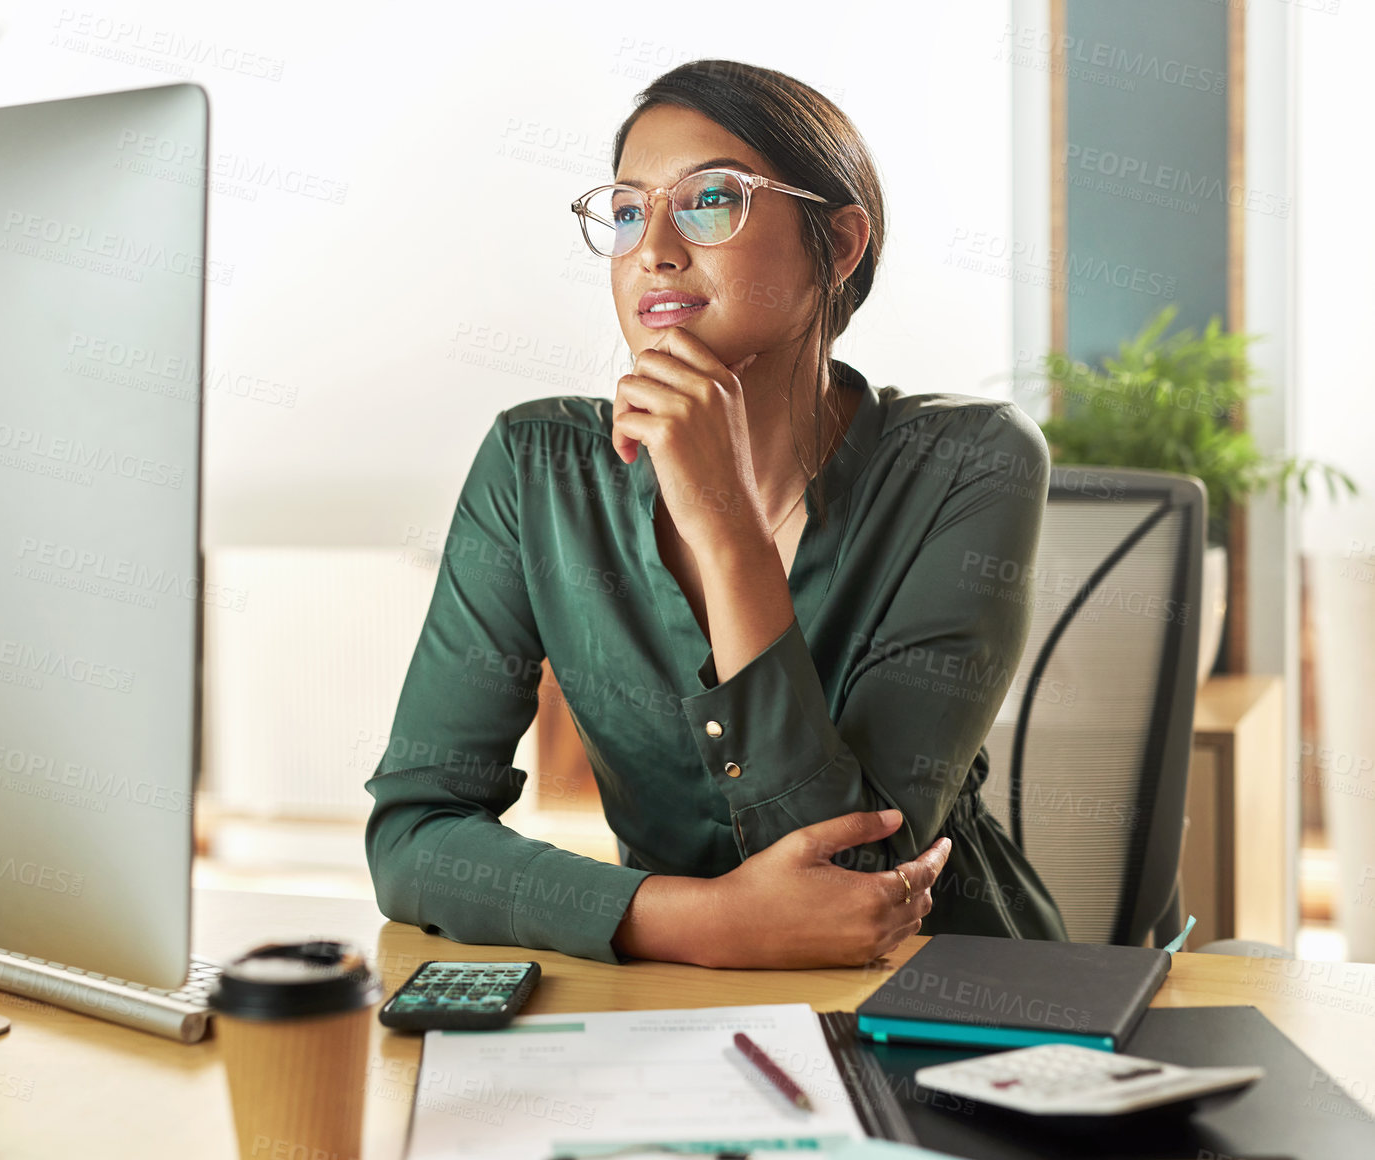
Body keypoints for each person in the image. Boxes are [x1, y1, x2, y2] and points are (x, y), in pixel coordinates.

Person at [363, 59, 1067, 969]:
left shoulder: (970, 460)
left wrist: (725, 524)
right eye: (626, 210)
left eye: (708, 200)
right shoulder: (535, 467)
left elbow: (851, 877)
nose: (652, 245)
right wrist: (694, 921)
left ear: (839, 244)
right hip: (664, 996)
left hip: (943, 994)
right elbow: (415, 836)